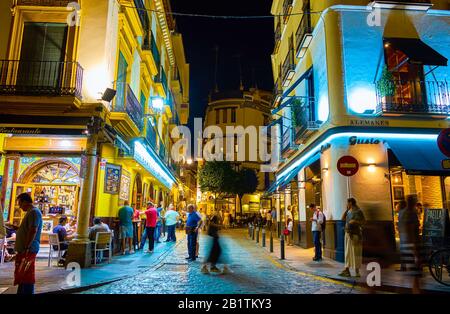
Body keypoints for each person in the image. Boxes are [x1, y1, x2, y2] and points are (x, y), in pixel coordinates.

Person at [14, 193, 43, 294]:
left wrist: (27, 247)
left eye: (20, 203)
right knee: (23, 273)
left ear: (24, 201)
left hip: (28, 249)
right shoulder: (31, 212)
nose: (19, 207)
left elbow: (33, 230)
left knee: (27, 274)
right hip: (25, 249)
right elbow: (28, 229)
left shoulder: (34, 212)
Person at [339, 198, 365, 278]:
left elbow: (363, 221)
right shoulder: (348, 211)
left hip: (355, 234)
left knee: (356, 252)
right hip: (348, 233)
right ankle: (347, 270)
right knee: (348, 253)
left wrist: (355, 221)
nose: (346, 204)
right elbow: (342, 219)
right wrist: (346, 210)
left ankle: (357, 272)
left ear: (350, 203)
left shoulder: (358, 211)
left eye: (347, 203)